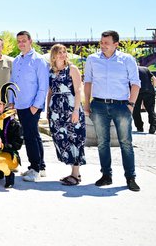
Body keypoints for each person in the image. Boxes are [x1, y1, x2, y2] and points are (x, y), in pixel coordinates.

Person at [84, 30, 141, 191]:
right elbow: (87, 82)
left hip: (121, 106)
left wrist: (131, 105)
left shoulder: (127, 60)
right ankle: (106, 176)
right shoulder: (92, 59)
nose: (103, 46)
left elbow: (135, 84)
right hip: (99, 105)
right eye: (101, 43)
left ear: (116, 44)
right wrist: (86, 104)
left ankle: (130, 177)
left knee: (126, 142)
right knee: (102, 143)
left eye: (106, 43)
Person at [10, 31, 48, 182]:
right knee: (34, 135)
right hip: (20, 104)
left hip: (32, 106)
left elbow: (43, 86)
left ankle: (35, 169)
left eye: (24, 40)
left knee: (30, 137)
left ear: (30, 41)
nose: (21, 43)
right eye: (19, 41)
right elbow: (12, 82)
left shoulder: (39, 60)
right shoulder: (17, 60)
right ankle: (41, 167)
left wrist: (36, 106)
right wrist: (11, 101)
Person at [46, 44, 85, 186]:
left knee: (74, 137)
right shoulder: (50, 71)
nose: (62, 54)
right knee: (61, 139)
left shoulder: (72, 69)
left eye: (64, 52)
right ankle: (75, 173)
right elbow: (50, 92)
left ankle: (75, 174)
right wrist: (48, 110)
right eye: (59, 52)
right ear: (53, 55)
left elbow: (78, 90)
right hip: (55, 110)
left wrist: (76, 110)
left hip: (70, 108)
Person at [133, 65, 156, 134]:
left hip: (137, 91)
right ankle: (153, 126)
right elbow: (154, 79)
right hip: (149, 91)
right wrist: (152, 88)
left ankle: (139, 127)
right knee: (151, 109)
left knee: (136, 110)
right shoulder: (145, 68)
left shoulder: (131, 69)